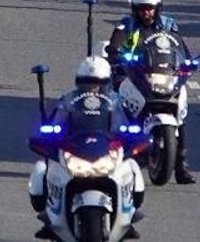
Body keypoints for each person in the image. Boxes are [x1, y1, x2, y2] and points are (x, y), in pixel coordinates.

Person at [40, 56, 148, 237]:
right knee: (44, 170)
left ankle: (128, 213)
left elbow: (129, 122)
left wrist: (132, 133)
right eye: (86, 82)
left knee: (132, 168)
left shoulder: (116, 101)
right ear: (78, 82)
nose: (92, 87)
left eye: (97, 83)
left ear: (106, 82)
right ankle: (53, 216)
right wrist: (50, 133)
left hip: (106, 148)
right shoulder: (67, 100)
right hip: (75, 149)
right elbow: (55, 121)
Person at [106, 0, 196, 185]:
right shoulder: (126, 25)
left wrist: (188, 63)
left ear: (158, 7)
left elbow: (181, 49)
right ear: (135, 8)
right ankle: (114, 153)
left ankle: (181, 167)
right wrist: (118, 56)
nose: (146, 12)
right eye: (142, 8)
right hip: (133, 74)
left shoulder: (168, 25)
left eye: (150, 8)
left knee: (179, 115)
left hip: (162, 75)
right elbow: (115, 46)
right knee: (114, 104)